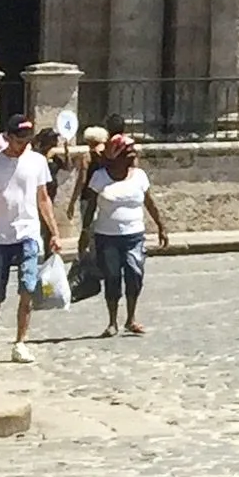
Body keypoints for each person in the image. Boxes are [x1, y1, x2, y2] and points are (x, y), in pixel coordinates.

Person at [0, 111, 57, 363]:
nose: (24, 145)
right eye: (19, 140)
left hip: (28, 234)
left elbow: (43, 198)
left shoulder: (37, 162)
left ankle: (20, 342)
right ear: (8, 137)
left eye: (27, 140)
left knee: (28, 287)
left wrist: (54, 231)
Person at [83, 134, 168, 333]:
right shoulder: (100, 177)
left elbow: (149, 202)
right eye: (128, 152)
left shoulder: (139, 176)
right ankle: (112, 321)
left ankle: (131, 318)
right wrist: (85, 232)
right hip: (107, 237)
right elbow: (90, 206)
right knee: (112, 277)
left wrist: (161, 226)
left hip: (134, 235)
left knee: (135, 273)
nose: (133, 155)